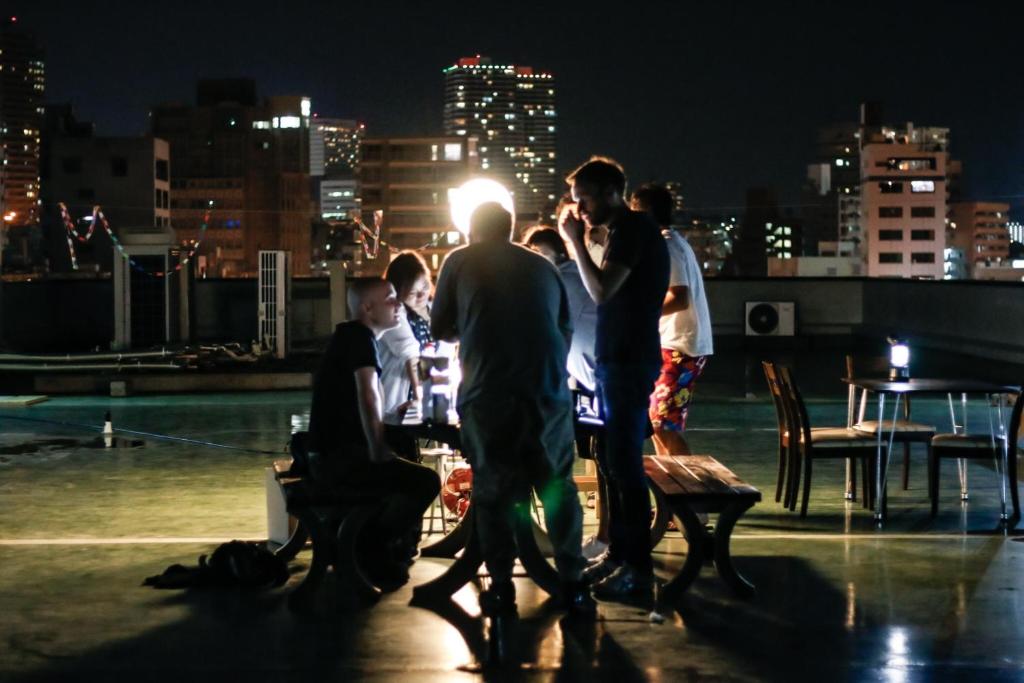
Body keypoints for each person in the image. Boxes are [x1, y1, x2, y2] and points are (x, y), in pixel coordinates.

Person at [432, 202, 594, 637]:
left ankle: (501, 586)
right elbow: (564, 327)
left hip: (489, 396)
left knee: (494, 490)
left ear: (470, 230)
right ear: (511, 230)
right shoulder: (543, 267)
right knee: (558, 489)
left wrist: (476, 327)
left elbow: (440, 328)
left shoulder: (459, 261)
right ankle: (575, 584)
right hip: (548, 396)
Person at [559, 156, 669, 600]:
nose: (579, 210)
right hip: (616, 359)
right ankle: (622, 556)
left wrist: (575, 243)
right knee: (612, 459)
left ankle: (637, 570)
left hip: (627, 361)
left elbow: (602, 292)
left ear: (608, 192)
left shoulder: (636, 230)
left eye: (583, 200)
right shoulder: (626, 232)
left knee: (624, 464)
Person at [307, 277, 441, 588]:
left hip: (327, 454)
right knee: (426, 481)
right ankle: (369, 546)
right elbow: (368, 393)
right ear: (368, 308)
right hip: (338, 460)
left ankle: (375, 545)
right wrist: (377, 446)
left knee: (406, 454)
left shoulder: (351, 338)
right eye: (390, 299)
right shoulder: (358, 339)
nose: (399, 305)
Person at [631, 184, 714, 456]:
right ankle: (672, 492)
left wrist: (640, 313)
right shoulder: (672, 242)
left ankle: (689, 492)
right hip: (677, 345)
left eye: (635, 213)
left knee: (664, 426)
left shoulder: (667, 245)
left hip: (681, 347)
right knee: (658, 423)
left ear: (647, 214)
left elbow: (679, 297)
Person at [377, 252, 433, 454]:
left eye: (425, 287)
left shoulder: (428, 311)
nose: (421, 296)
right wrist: (422, 398)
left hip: (408, 404)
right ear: (397, 292)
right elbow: (412, 357)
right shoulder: (394, 313)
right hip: (390, 407)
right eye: (413, 293)